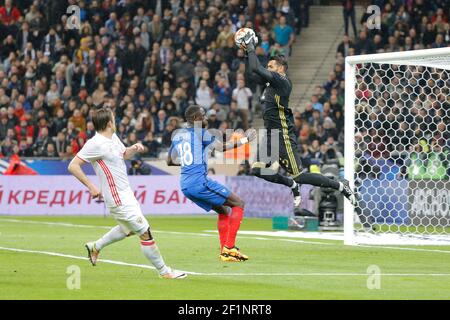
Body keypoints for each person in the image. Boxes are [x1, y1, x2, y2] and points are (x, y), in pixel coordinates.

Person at [68, 107, 186, 279]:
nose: (115, 121)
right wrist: (91, 187)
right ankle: (164, 271)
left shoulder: (113, 138)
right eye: (114, 118)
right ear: (109, 123)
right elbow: (73, 165)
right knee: (144, 230)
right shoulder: (95, 143)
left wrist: (133, 148)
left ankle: (95, 246)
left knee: (127, 230)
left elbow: (122, 155)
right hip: (117, 197)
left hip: (126, 193)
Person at [241, 33, 357, 207]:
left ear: (281, 68)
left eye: (271, 66)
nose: (268, 68)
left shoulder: (282, 81)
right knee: (258, 170)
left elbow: (256, 68)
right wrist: (246, 53)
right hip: (270, 135)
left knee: (300, 174)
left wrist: (251, 48)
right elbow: (251, 73)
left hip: (283, 134)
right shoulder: (269, 84)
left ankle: (340, 185)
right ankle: (291, 185)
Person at [167, 105, 256, 262]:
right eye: (203, 116)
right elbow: (221, 148)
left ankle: (224, 252)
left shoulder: (178, 136)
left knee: (223, 211)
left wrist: (189, 163)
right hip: (199, 182)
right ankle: (229, 248)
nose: (206, 118)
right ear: (195, 119)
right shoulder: (200, 132)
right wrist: (245, 139)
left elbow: (170, 161)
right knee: (238, 203)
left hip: (185, 186)